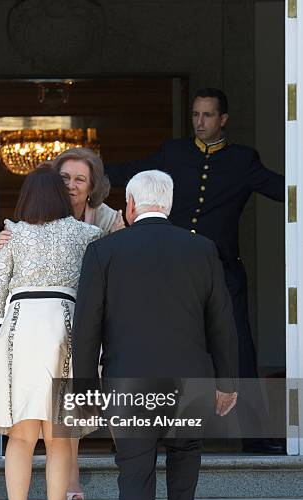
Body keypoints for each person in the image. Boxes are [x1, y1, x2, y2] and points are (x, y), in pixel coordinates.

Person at [72, 170, 239, 500]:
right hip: (190, 377)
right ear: (168, 204)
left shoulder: (104, 251)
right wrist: (227, 381)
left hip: (129, 382)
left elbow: (86, 329)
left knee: (136, 475)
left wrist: (86, 390)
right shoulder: (201, 249)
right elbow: (222, 321)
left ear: (129, 206)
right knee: (186, 452)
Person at [105, 88, 284, 455]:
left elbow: (284, 188)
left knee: (238, 347)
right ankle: (142, 431)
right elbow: (133, 173)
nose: (199, 122)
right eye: (195, 114)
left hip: (222, 268)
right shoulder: (175, 152)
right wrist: (93, 172)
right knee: (155, 343)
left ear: (223, 120)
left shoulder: (242, 160)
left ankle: (254, 433)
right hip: (172, 270)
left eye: (207, 115)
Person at [0, 165, 102, 500]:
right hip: (63, 331)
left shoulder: (14, 234)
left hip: (20, 332)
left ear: (27, 197)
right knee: (59, 438)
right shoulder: (86, 235)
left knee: (21, 437)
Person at [0, 147, 125, 500]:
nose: (71, 185)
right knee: (59, 402)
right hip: (55, 321)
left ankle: (129, 473)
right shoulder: (38, 217)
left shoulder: (109, 220)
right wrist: (2, 243)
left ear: (92, 186)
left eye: (79, 179)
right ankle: (71, 479)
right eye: (64, 177)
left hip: (98, 315)